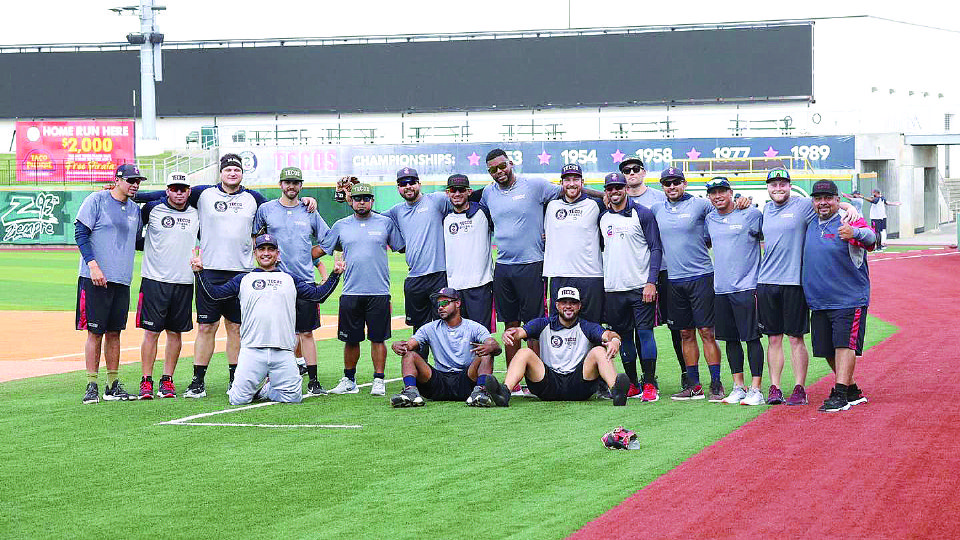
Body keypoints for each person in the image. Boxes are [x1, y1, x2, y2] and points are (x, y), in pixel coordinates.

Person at [134, 153, 318, 398]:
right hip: (209, 271)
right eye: (228, 170)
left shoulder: (253, 198)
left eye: (237, 170)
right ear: (220, 173)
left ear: (242, 174)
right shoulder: (203, 193)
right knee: (206, 327)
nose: (233, 173)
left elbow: (279, 206)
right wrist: (134, 194)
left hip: (242, 273)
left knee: (235, 327)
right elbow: (166, 194)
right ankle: (197, 380)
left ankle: (235, 378)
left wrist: (305, 200)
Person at [192, 234, 344, 405]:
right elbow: (215, 295)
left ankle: (269, 389)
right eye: (261, 249)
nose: (266, 253)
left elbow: (318, 296)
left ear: (278, 254)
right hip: (251, 351)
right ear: (255, 253)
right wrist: (200, 273)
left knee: (293, 398)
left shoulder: (290, 279)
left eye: (270, 249)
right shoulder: (243, 279)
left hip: (283, 351)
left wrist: (335, 274)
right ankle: (260, 387)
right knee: (237, 399)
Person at [759, 168, 861, 405]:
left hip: (794, 282)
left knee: (795, 338)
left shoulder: (803, 204)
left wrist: (850, 207)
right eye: (773, 184)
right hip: (766, 282)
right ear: (768, 187)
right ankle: (774, 387)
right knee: (773, 339)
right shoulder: (765, 209)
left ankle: (799, 388)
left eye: (782, 184)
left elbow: (831, 203)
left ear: (789, 185)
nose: (778, 188)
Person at [481, 148, 561, 392]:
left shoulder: (535, 185)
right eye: (493, 170)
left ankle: (536, 380)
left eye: (502, 166)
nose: (499, 172)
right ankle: (513, 382)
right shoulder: (487, 193)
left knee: (533, 325)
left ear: (511, 163)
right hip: (504, 267)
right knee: (510, 325)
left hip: (532, 264)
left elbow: (568, 195)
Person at [314, 182, 405, 396]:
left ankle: (379, 380)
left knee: (378, 338)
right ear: (351, 201)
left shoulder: (385, 223)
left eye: (366, 198)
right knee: (350, 339)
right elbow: (324, 248)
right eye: (357, 198)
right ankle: (349, 379)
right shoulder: (341, 225)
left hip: (379, 292)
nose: (361, 202)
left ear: (372, 201)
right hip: (350, 292)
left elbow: (401, 247)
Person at [647, 167, 724, 401]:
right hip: (673, 279)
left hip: (701, 276)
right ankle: (694, 385)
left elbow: (724, 211)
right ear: (662, 186)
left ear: (685, 183)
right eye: (667, 183)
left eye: (676, 182)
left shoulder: (701, 205)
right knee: (685, 333)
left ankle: (716, 384)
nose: (672, 187)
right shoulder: (657, 208)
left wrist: (743, 201)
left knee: (707, 332)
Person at [253, 166, 330, 397]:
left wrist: (310, 256)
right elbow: (255, 239)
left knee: (306, 333)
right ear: (280, 185)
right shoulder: (266, 209)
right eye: (287, 182)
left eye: (295, 183)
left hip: (304, 281)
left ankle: (314, 381)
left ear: (301, 185)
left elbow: (327, 240)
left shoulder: (309, 210)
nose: (291, 186)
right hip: (275, 281)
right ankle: (273, 378)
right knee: (275, 332)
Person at [483, 286, 630, 407]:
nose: (568, 306)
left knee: (599, 350)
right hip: (548, 384)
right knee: (524, 353)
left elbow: (609, 334)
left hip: (579, 384)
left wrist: (615, 341)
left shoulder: (587, 326)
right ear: (557, 305)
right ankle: (504, 393)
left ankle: (616, 392)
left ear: (579, 306)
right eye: (564, 302)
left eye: (572, 303)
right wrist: (509, 334)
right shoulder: (543, 324)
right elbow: (518, 332)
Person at [801, 180, 875, 412]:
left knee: (843, 344)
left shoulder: (849, 220)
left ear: (836, 200)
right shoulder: (811, 222)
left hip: (848, 298)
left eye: (828, 198)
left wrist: (855, 231)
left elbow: (872, 239)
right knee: (825, 349)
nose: (823, 202)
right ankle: (852, 390)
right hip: (819, 300)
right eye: (818, 198)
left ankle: (840, 393)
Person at [619, 154, 688, 392]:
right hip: (635, 273)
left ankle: (687, 373)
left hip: (667, 269)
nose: (631, 173)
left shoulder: (660, 198)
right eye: (626, 170)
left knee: (677, 326)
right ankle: (646, 378)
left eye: (636, 168)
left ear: (643, 172)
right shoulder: (616, 200)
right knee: (639, 327)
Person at [76, 163, 144, 403]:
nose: (135, 185)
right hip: (95, 278)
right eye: (131, 180)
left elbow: (137, 242)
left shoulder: (135, 210)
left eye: (138, 182)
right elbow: (81, 233)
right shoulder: (96, 200)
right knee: (95, 332)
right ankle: (91, 384)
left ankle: (112, 385)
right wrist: (93, 265)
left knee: (115, 332)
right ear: (117, 179)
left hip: (121, 278)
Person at [598, 172, 663, 401]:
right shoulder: (603, 218)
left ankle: (649, 384)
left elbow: (656, 248)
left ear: (625, 188)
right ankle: (633, 384)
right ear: (606, 191)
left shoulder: (642, 213)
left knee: (645, 334)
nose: (614, 192)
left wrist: (651, 282)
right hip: (613, 289)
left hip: (640, 287)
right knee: (623, 336)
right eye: (610, 188)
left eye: (618, 187)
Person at [135, 171, 199, 399]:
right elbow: (134, 237)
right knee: (151, 332)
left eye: (183, 189)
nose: (179, 192)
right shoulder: (151, 209)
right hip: (154, 280)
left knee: (175, 333)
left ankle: (167, 380)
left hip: (183, 281)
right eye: (174, 188)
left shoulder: (196, 213)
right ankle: (146, 380)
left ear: (189, 191)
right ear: (167, 190)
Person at [704, 177, 766, 406]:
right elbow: (708, 242)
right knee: (730, 339)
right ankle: (739, 386)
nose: (718, 196)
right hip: (721, 289)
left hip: (747, 287)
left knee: (751, 338)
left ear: (731, 192)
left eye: (722, 191)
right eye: (713, 193)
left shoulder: (750, 214)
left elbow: (767, 238)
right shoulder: (710, 219)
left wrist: (748, 201)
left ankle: (757, 389)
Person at [389, 287, 502, 407]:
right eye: (438, 304)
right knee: (409, 354)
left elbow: (495, 345)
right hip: (438, 382)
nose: (440, 307)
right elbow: (409, 345)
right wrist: (399, 346)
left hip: (467, 380)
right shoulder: (429, 328)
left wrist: (490, 347)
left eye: (444, 303)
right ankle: (411, 392)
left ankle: (480, 392)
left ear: (457, 303)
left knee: (487, 352)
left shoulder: (474, 327)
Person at [382, 167, 451, 358]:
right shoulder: (396, 211)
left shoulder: (436, 200)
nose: (408, 186)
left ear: (419, 184)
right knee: (419, 331)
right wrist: (348, 198)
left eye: (412, 182)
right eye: (403, 184)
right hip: (414, 278)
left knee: (443, 326)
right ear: (398, 188)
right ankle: (423, 376)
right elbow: (373, 217)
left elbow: (462, 200)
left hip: (439, 275)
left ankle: (446, 372)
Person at [543, 163, 605, 323]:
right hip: (559, 274)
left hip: (590, 276)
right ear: (561, 183)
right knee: (560, 327)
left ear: (582, 182)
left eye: (576, 179)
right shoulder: (550, 206)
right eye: (567, 179)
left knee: (592, 327)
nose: (571, 183)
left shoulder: (596, 205)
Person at [442, 174, 495, 331]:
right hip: (453, 288)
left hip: (481, 286)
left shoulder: (483, 213)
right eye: (453, 190)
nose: (457, 194)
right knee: (457, 337)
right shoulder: (444, 217)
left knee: (481, 337)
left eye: (461, 190)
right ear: (447, 193)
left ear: (469, 191)